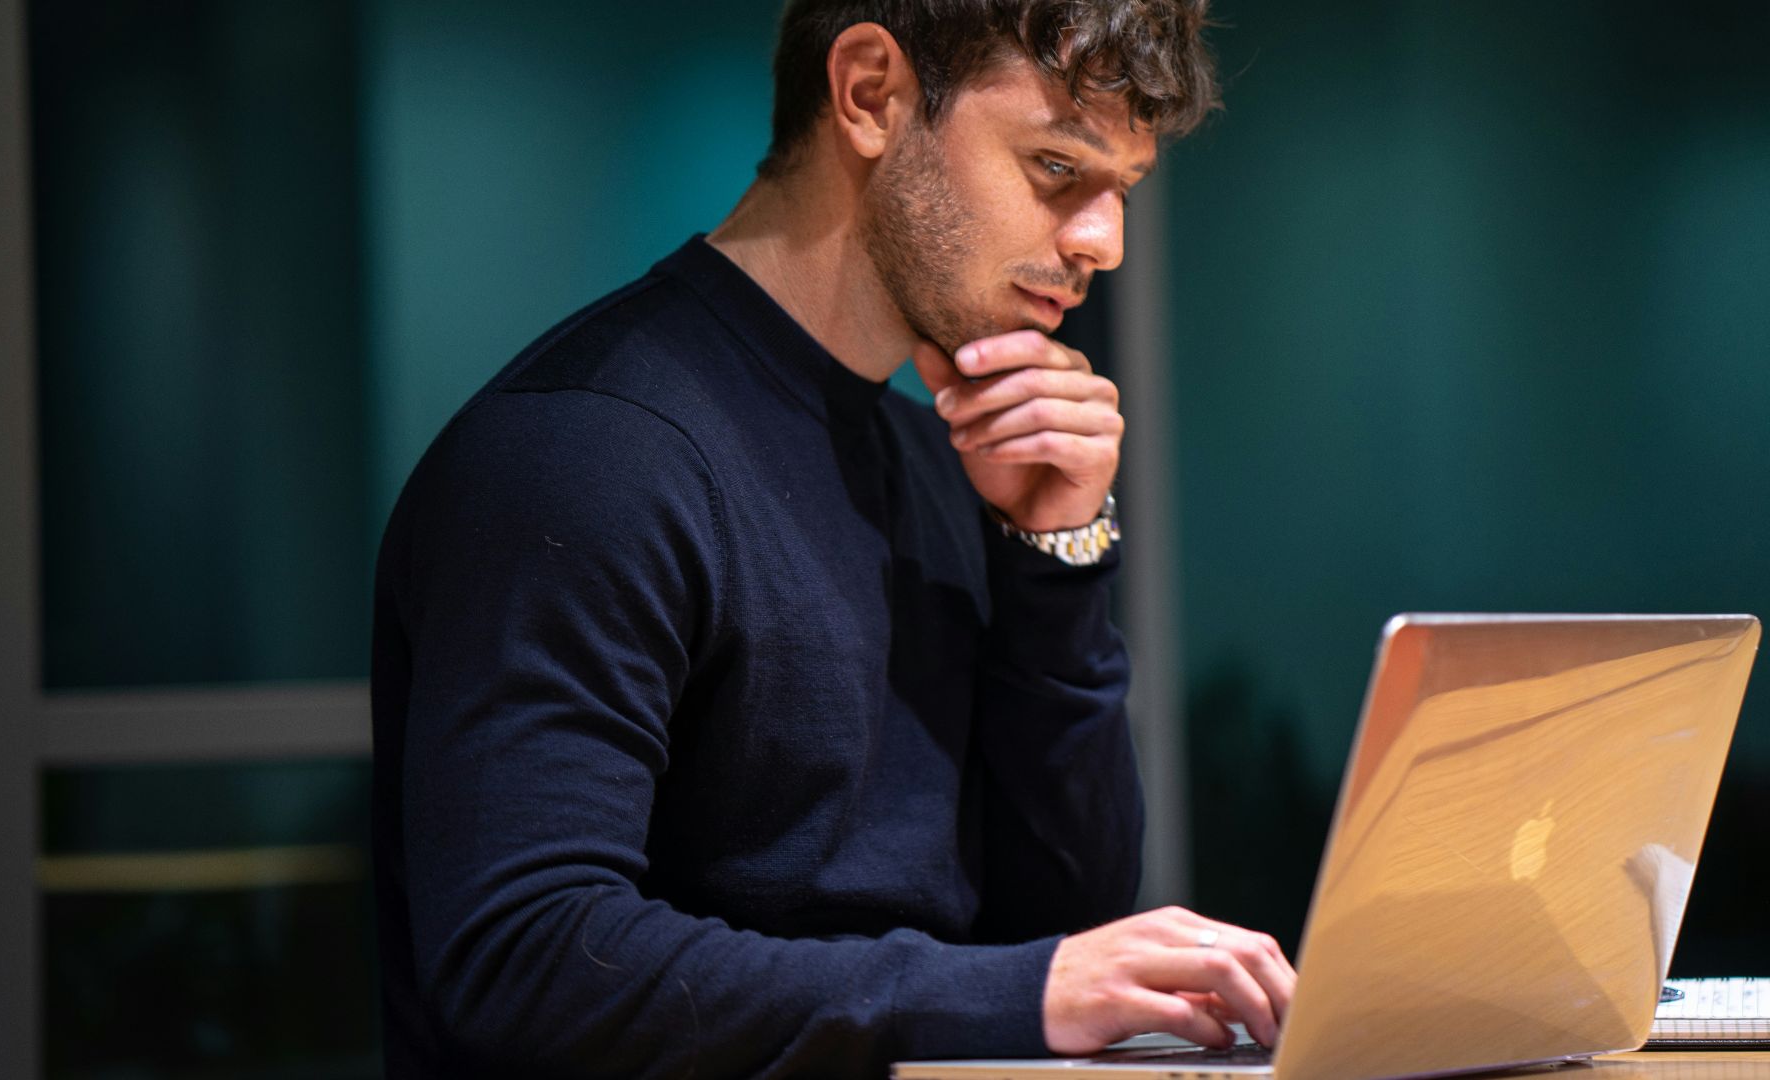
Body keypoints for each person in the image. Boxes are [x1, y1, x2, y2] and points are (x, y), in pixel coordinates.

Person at [369, 1, 1295, 1075]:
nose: (1104, 243)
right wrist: (1011, 991)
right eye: (1054, 169)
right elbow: (524, 959)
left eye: (1120, 192)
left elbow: (1062, 912)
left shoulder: (937, 461)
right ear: (869, 93)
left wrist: (1052, 549)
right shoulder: (586, 452)